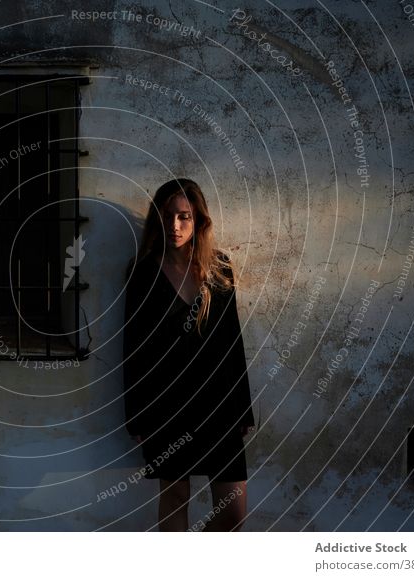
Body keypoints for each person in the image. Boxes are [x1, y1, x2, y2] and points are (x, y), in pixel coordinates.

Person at [122, 178, 255, 532]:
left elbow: (232, 340)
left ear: (198, 221)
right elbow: (133, 348)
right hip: (166, 404)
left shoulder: (219, 268)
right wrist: (136, 415)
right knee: (175, 498)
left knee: (232, 512)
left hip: (219, 403)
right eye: (167, 216)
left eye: (184, 217)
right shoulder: (143, 272)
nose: (175, 225)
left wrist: (243, 406)